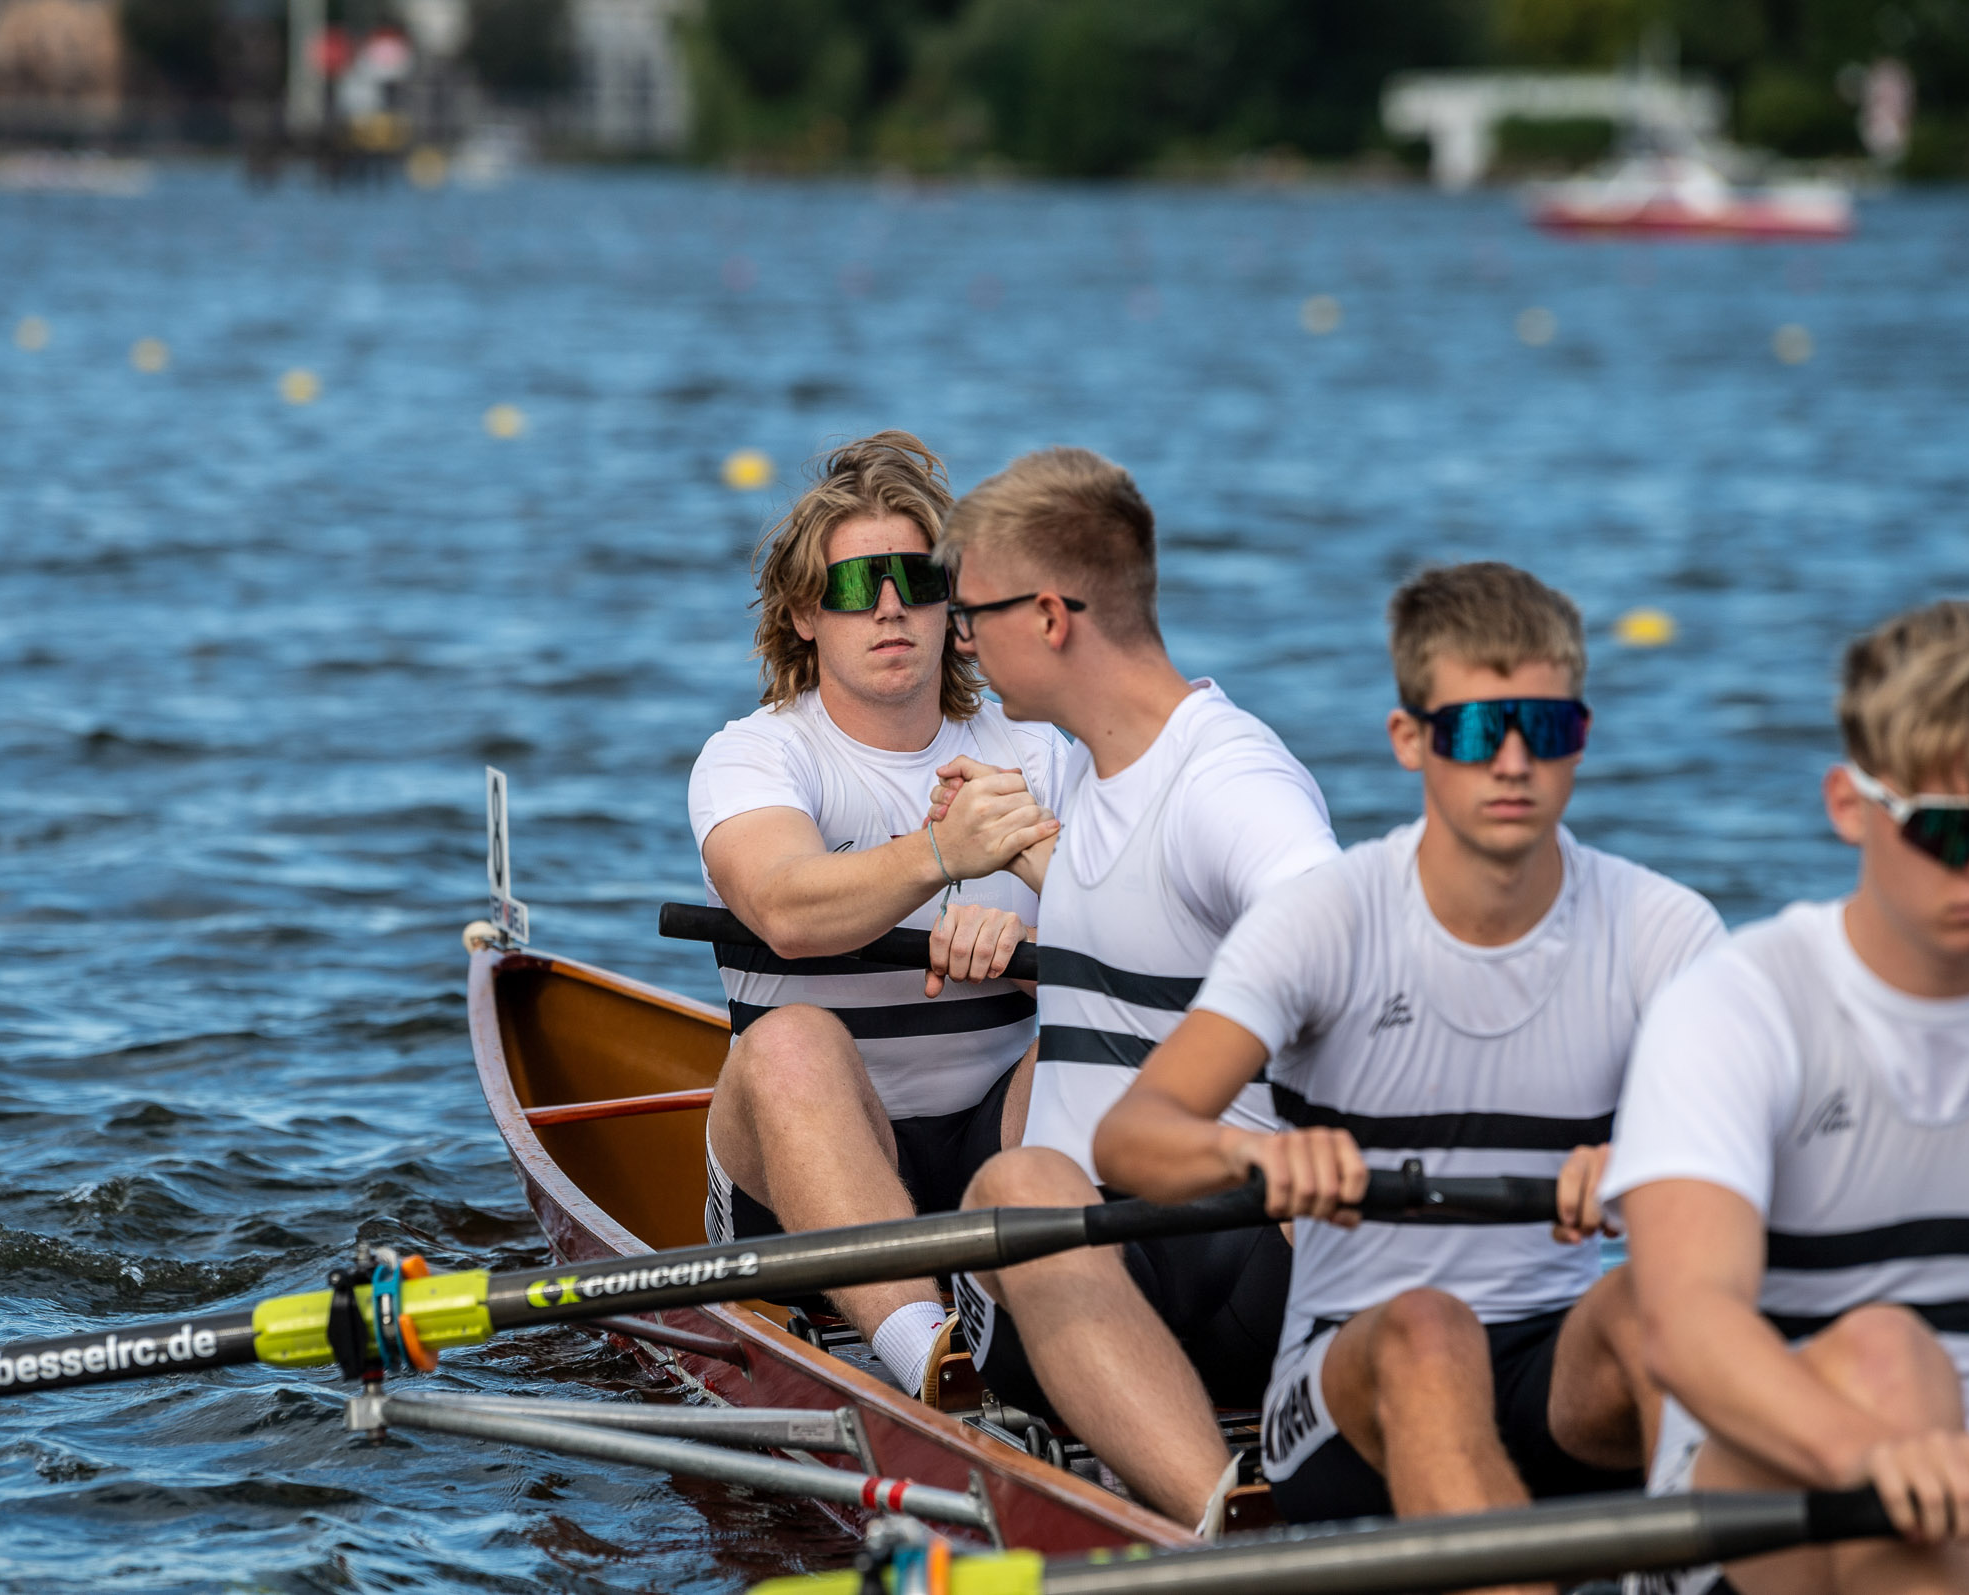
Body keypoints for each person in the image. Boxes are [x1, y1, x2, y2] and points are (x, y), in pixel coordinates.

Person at [1093, 562, 1724, 1548]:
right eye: (1476, 731)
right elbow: (1133, 1138)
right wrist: (1257, 1159)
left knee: (1668, 1300)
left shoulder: (1664, 929)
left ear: (1582, 738)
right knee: (1430, 1327)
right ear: (1409, 740)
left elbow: (1771, 1148)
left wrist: (1663, 1163)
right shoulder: (1323, 920)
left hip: (1551, 1369)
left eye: (1544, 730)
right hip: (1347, 1384)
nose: (1511, 762)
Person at [1605, 599, 1969, 1595]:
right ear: (1850, 803)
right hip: (1763, 1499)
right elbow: (1684, 1322)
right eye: (1946, 827)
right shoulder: (1738, 1002)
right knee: (1889, 1356)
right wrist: (1873, 1450)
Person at [930, 446, 1340, 1530]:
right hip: (1100, 1264)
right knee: (1030, 1156)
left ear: (1053, 615)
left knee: (1011, 1182)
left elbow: (1340, 935)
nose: (957, 642)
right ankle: (1224, 1506)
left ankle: (1216, 1530)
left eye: (970, 614)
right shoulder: (1076, 763)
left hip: (1244, 1251)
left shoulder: (1231, 781)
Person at [689, 431, 1069, 1403]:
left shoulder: (1039, 751)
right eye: (855, 586)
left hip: (996, 1135)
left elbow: (1152, 941)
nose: (890, 604)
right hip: (802, 1157)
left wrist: (1031, 952)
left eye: (916, 577)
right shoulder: (756, 757)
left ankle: (1040, 1327)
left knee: (1085, 1043)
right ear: (805, 615)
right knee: (790, 1041)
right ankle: (925, 1356)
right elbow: (783, 908)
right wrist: (942, 856)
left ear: (955, 603)